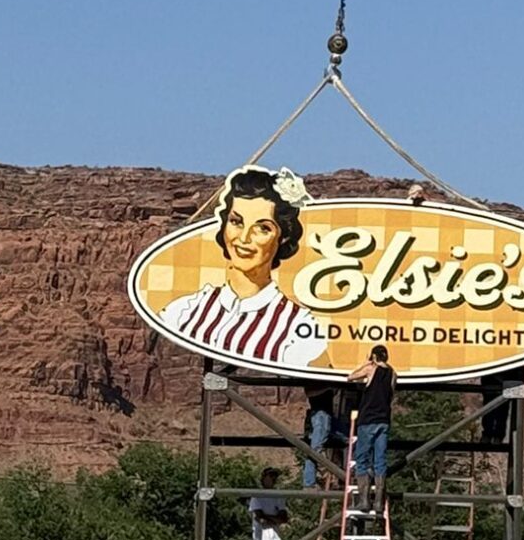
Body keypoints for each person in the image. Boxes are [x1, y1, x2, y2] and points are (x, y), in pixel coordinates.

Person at [158, 166, 322, 369]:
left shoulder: (300, 326)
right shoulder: (185, 309)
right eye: (236, 222)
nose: (244, 239)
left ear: (283, 237)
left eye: (263, 228)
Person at [347, 345, 396, 513]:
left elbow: (350, 377)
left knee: (362, 459)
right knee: (380, 460)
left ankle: (364, 500)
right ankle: (379, 502)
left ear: (374, 357)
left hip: (368, 420)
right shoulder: (392, 373)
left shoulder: (370, 369)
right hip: (384, 420)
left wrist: (364, 363)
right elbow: (391, 393)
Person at [248, 467, 289, 540]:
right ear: (264, 478)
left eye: (275, 476)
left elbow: (283, 518)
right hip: (260, 539)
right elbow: (260, 519)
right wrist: (275, 519)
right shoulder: (257, 496)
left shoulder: (278, 496)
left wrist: (267, 517)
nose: (273, 478)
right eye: (270, 476)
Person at [302, 382, 337, 488]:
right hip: (320, 414)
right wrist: (329, 388)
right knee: (315, 448)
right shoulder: (314, 378)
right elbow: (309, 392)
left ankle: (316, 479)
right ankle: (321, 476)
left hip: (326, 415)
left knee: (349, 439)